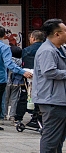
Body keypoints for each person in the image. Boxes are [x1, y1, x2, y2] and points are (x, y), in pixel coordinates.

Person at [34, 18, 66, 153]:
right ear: (57, 34)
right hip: (52, 99)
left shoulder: (60, 49)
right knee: (51, 138)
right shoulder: (47, 50)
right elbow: (49, 72)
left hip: (58, 98)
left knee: (58, 139)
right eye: (64, 31)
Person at [19, 29, 45, 129]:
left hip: (30, 76)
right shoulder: (47, 49)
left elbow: (24, 63)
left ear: (33, 38)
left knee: (28, 95)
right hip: (43, 76)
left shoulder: (27, 50)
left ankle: (31, 116)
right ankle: (39, 115)